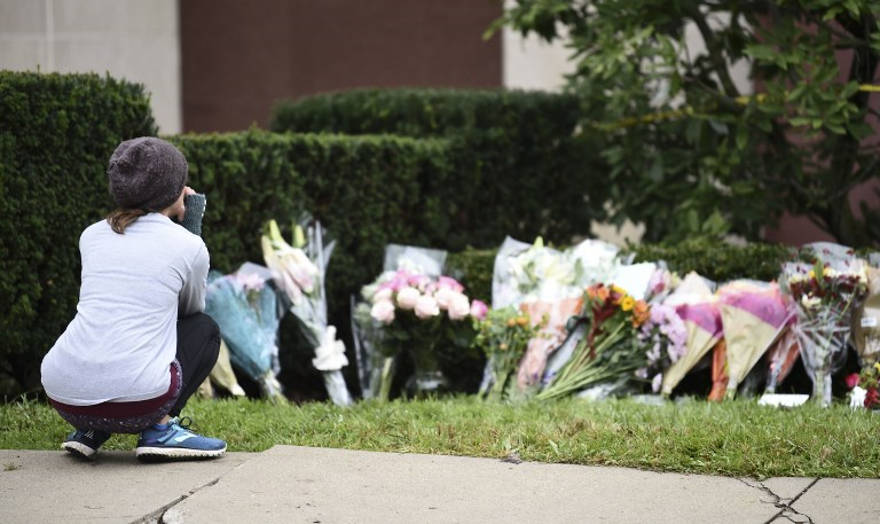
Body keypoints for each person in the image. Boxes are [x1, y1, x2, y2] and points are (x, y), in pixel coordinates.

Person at [40, 137, 226, 461]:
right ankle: (160, 430)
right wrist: (191, 224)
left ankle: (91, 431)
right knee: (206, 329)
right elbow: (189, 312)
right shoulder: (186, 244)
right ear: (177, 190)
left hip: (65, 394)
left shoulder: (92, 235)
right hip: (141, 401)